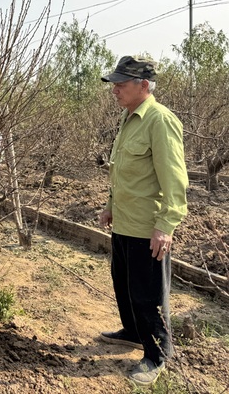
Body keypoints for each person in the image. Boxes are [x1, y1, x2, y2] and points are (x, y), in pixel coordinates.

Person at [99, 56, 188, 386]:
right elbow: (120, 170)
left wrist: (165, 225)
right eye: (115, 84)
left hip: (146, 228)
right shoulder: (129, 118)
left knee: (147, 294)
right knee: (124, 285)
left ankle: (157, 355)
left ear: (144, 85)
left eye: (122, 84)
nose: (115, 90)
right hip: (123, 223)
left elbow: (174, 181)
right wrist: (110, 205)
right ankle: (133, 332)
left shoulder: (159, 121)